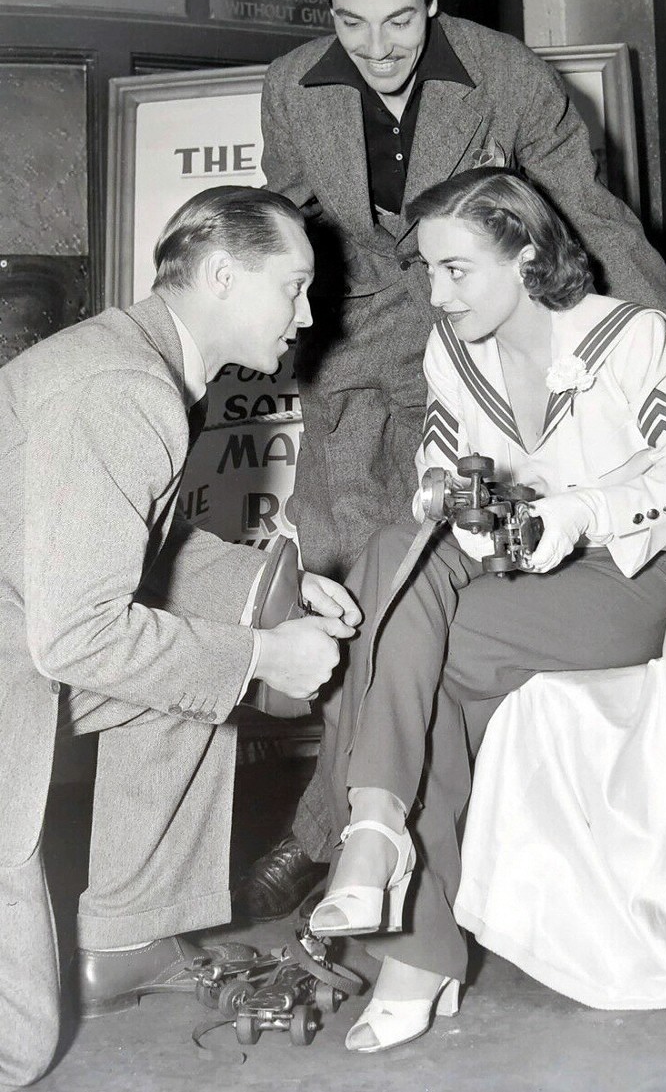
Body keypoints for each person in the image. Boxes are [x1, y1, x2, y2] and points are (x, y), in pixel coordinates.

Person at [243, 0, 666, 919]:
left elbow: (593, 214)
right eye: (352, 24)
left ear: (432, 0)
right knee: (343, 592)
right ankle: (370, 826)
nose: (377, 47)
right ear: (329, 10)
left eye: (398, 21)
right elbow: (293, 223)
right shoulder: (287, 86)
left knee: (400, 586)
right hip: (349, 359)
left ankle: (334, 835)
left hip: (469, 354)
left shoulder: (504, 73)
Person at [304, 167, 666, 1053]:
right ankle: (387, 854)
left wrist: (577, 510)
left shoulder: (630, 338)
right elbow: (439, 462)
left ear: (527, 258)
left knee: (396, 649)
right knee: (397, 565)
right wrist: (443, 496)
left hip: (626, 578)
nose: (435, 292)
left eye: (457, 270)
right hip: (506, 573)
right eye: (426, 270)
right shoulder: (450, 351)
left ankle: (390, 884)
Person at [0, 185, 361, 1088]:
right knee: (18, 1050)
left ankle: (127, 932)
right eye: (294, 287)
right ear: (223, 276)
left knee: (197, 662)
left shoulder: (136, 363)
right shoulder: (123, 389)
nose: (306, 314)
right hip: (22, 667)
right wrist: (262, 656)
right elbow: (78, 635)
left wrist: (275, 591)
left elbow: (142, 553)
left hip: (17, 641)